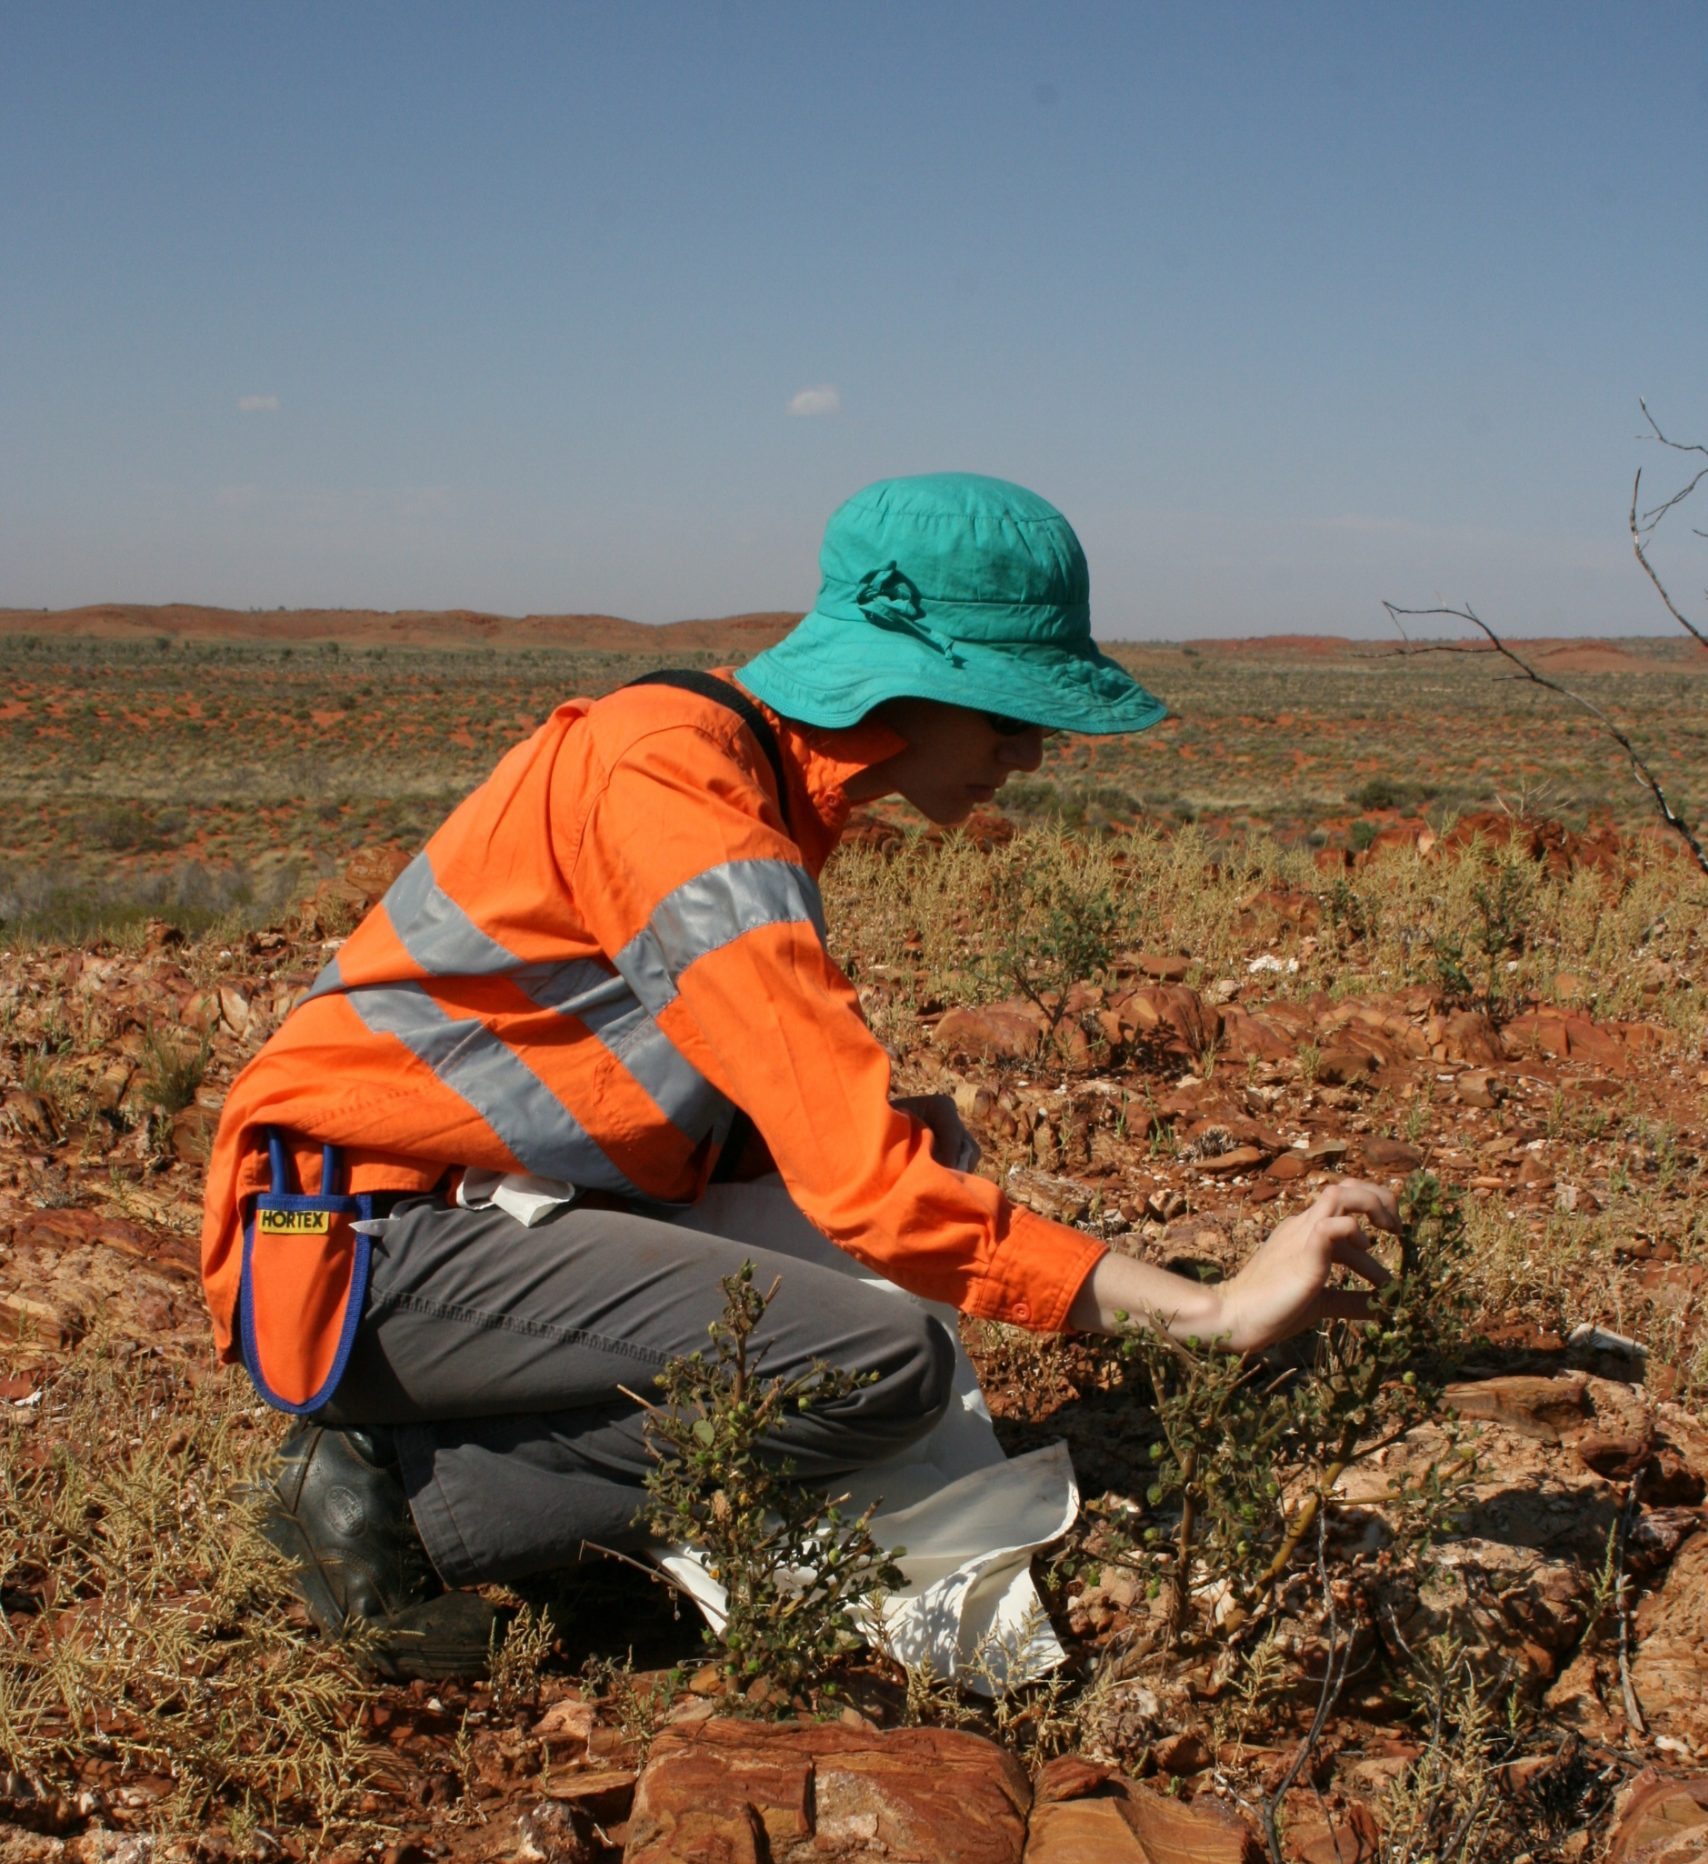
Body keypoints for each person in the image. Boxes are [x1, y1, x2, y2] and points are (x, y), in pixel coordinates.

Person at [201, 472, 1399, 1676]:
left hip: (441, 1213)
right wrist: (1210, 1311)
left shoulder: (730, 771)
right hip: (354, 1246)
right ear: (907, 677)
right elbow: (868, 1189)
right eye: (1006, 714)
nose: (1029, 755)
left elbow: (595, 1084)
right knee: (882, 1369)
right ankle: (398, 1495)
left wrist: (795, 1150)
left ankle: (443, 1467)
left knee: (905, 1214)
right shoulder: (683, 792)